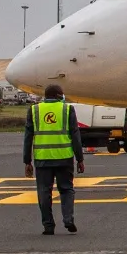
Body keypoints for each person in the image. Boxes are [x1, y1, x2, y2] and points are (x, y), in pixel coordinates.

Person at [23, 82, 86, 235]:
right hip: (64, 158)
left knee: (44, 192)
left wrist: (27, 161)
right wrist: (80, 159)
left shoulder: (34, 110)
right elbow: (75, 136)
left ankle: (48, 225)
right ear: (59, 95)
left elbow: (28, 137)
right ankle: (68, 219)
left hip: (42, 159)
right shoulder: (67, 109)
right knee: (66, 190)